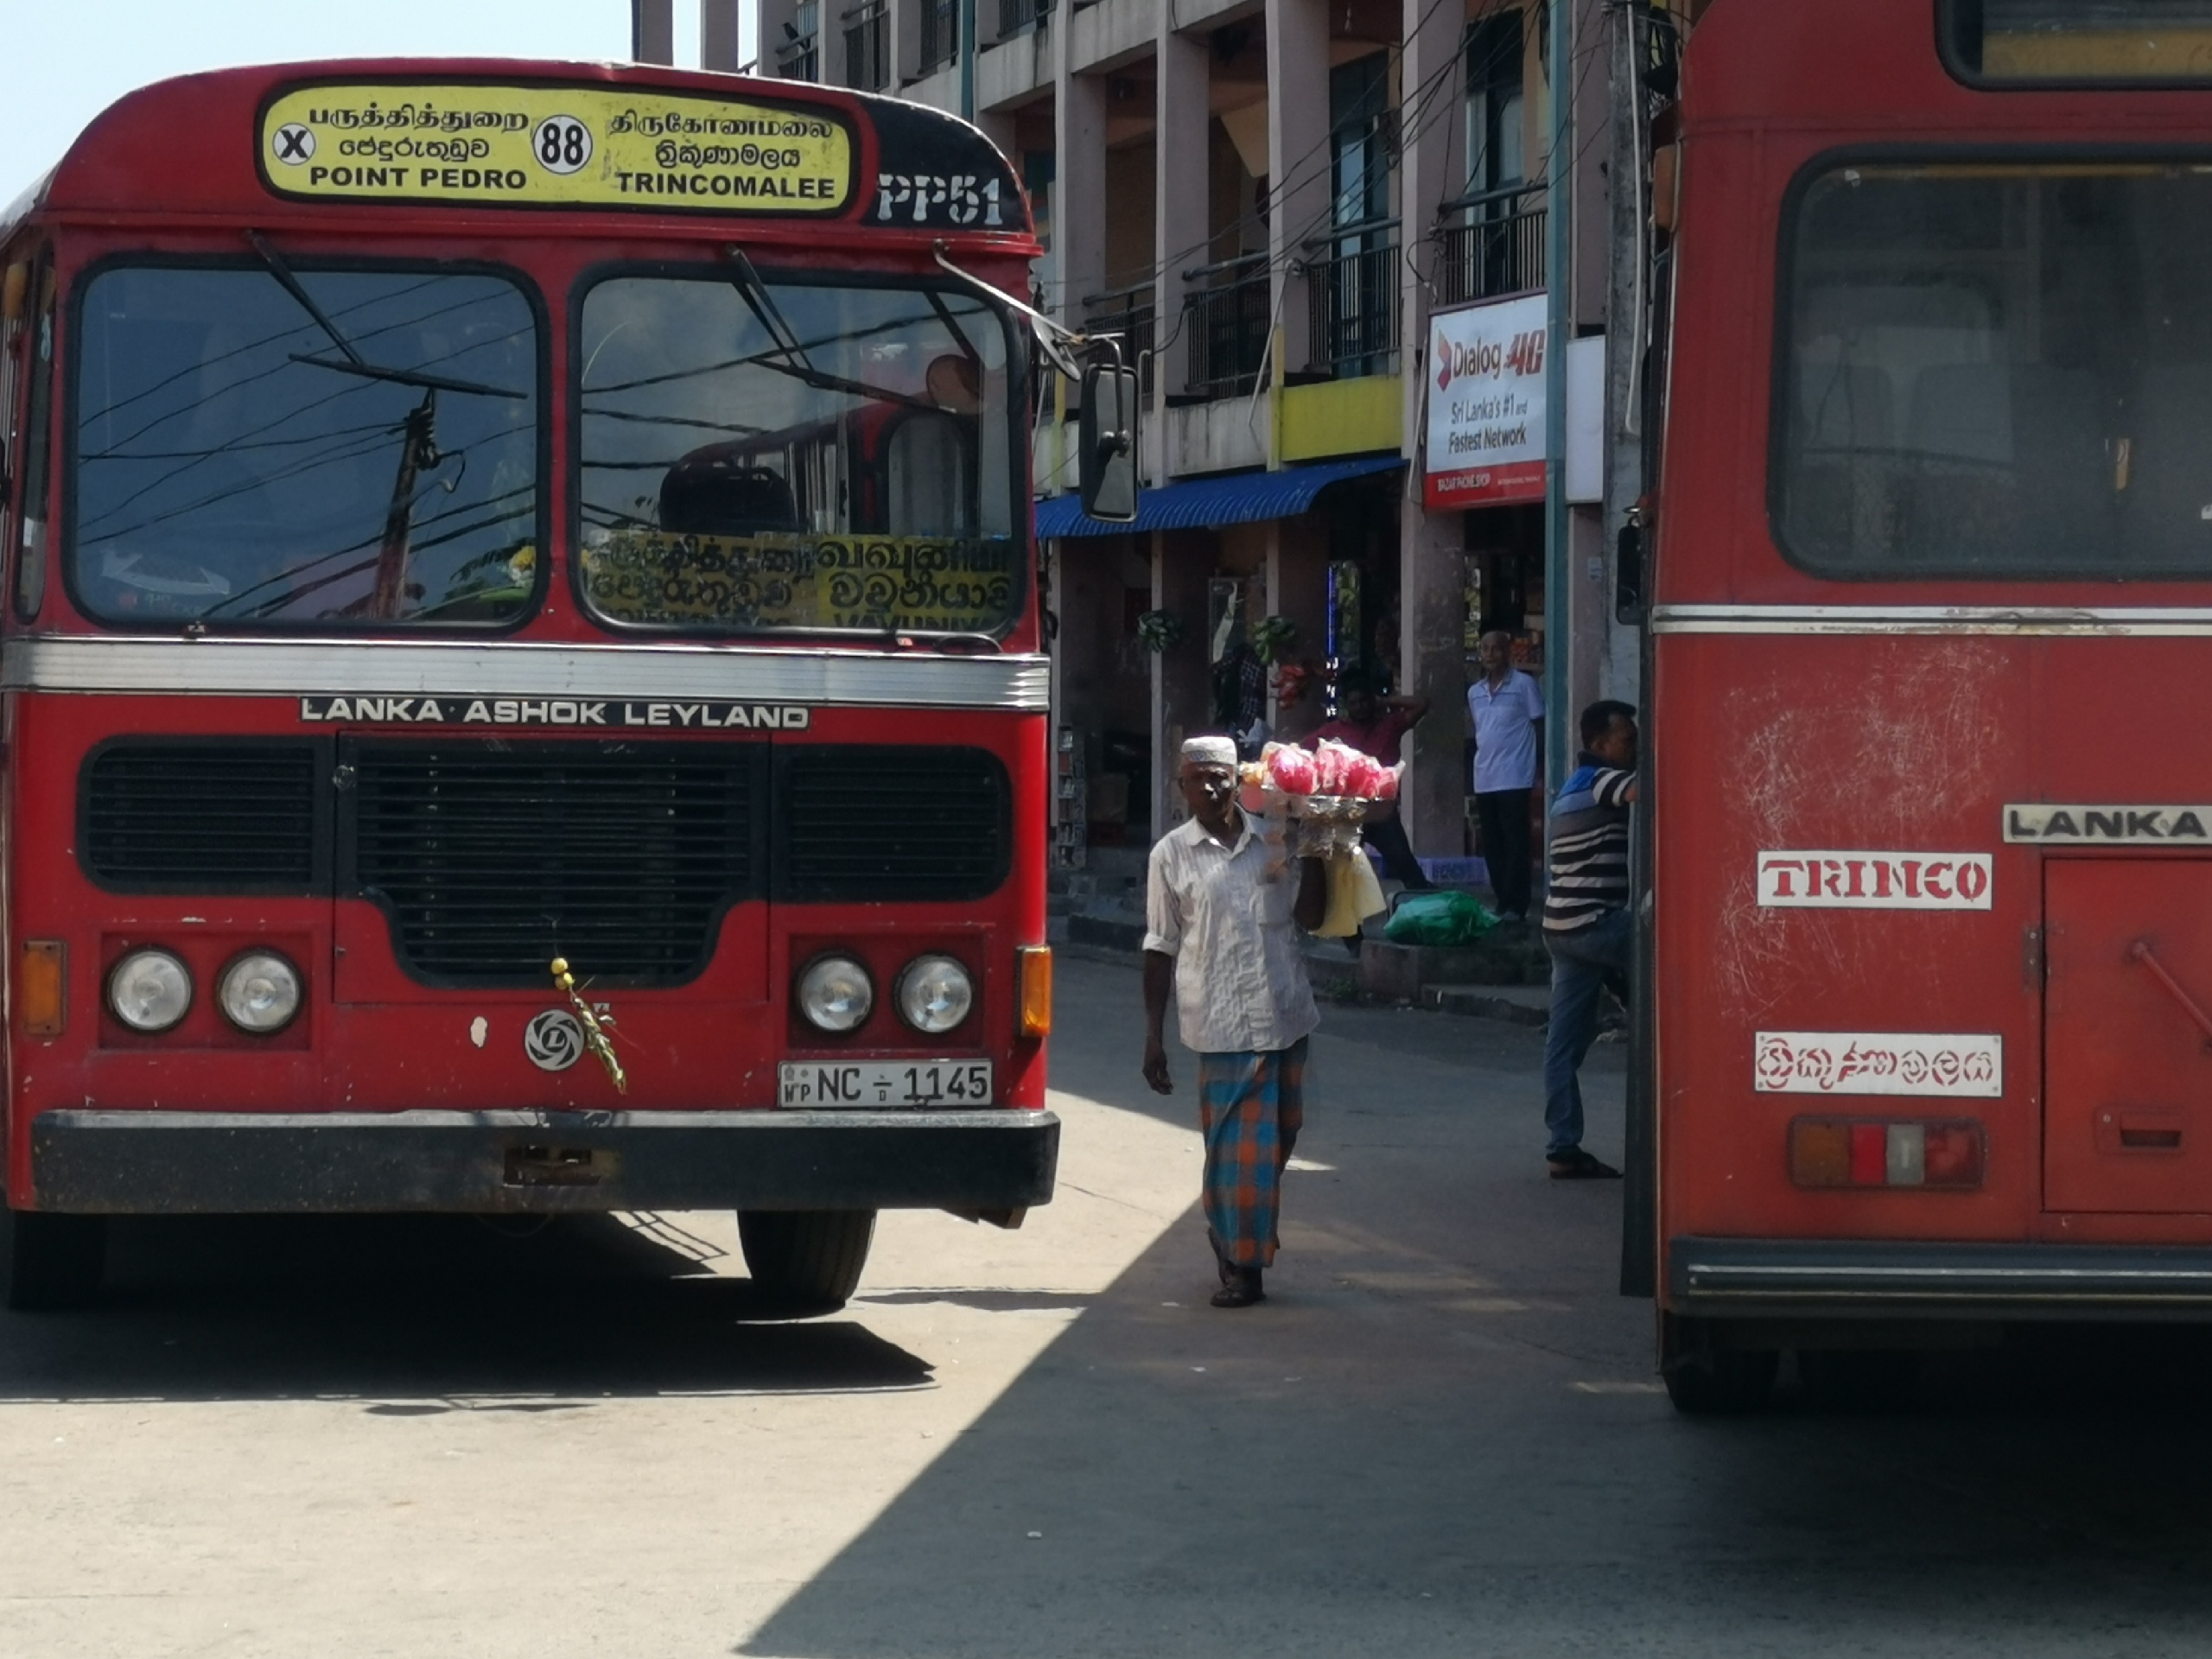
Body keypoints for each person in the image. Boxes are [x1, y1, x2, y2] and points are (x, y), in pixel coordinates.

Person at [1142, 735, 1327, 1307]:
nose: (1211, 786)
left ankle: (1233, 1232)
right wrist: (1154, 1036)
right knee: (1236, 1152)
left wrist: (1318, 846)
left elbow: (1314, 915)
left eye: (1221, 776)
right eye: (1199, 778)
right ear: (1183, 788)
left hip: (1285, 1012)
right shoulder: (1170, 855)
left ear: (1237, 780)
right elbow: (1159, 945)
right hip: (1219, 1024)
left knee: (1275, 1142)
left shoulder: (1274, 839)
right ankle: (1242, 1264)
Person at [1539, 699, 1638, 1180]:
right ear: (1599, 745)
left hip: (1562, 929)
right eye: (1628, 740)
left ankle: (1563, 1146)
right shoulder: (1603, 781)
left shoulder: (1571, 787)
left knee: (1563, 1047)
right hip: (1598, 926)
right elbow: (1649, 789)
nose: (1636, 747)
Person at [1311, 671, 1433, 890]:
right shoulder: (1334, 731)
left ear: (1372, 700)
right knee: (1340, 882)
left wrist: (1384, 701)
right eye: (1354, 703)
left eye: (1364, 701)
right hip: (1347, 815)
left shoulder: (1389, 725)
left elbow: (1422, 704)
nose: (1360, 707)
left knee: (1410, 872)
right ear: (1346, 706)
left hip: (1381, 815)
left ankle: (1421, 913)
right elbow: (1302, 749)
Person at [1465, 631, 1544, 921]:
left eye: (1495, 649)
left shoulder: (1524, 685)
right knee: (1493, 841)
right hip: (1485, 775)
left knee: (1516, 841)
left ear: (1507, 651)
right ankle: (1501, 900)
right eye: (1485, 649)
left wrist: (1536, 766)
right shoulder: (1475, 692)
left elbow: (1538, 724)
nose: (1489, 654)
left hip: (1516, 775)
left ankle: (1517, 903)